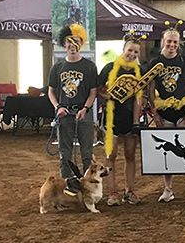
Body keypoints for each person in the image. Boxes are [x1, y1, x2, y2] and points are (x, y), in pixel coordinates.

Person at [148, 22, 185, 202]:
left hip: (183, 111)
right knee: (167, 152)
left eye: (175, 42)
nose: (171, 45)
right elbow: (151, 87)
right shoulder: (155, 63)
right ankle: (168, 189)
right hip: (164, 114)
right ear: (163, 41)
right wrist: (155, 113)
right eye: (169, 42)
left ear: (179, 44)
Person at [47, 23, 98, 196]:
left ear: (81, 43)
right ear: (64, 44)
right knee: (65, 154)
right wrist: (57, 107)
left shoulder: (90, 67)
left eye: (75, 41)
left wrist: (85, 108)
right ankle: (66, 189)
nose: (72, 45)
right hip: (64, 114)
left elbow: (93, 92)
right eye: (68, 42)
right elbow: (51, 91)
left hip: (83, 114)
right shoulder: (58, 67)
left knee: (86, 153)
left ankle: (89, 188)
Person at [97, 34, 143, 205]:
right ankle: (112, 193)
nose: (132, 54)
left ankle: (129, 191)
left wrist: (136, 122)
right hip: (111, 118)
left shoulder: (139, 72)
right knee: (111, 155)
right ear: (123, 50)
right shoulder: (109, 68)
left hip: (130, 119)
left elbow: (139, 98)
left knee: (130, 155)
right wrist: (106, 95)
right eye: (129, 50)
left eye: (136, 52)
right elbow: (98, 89)